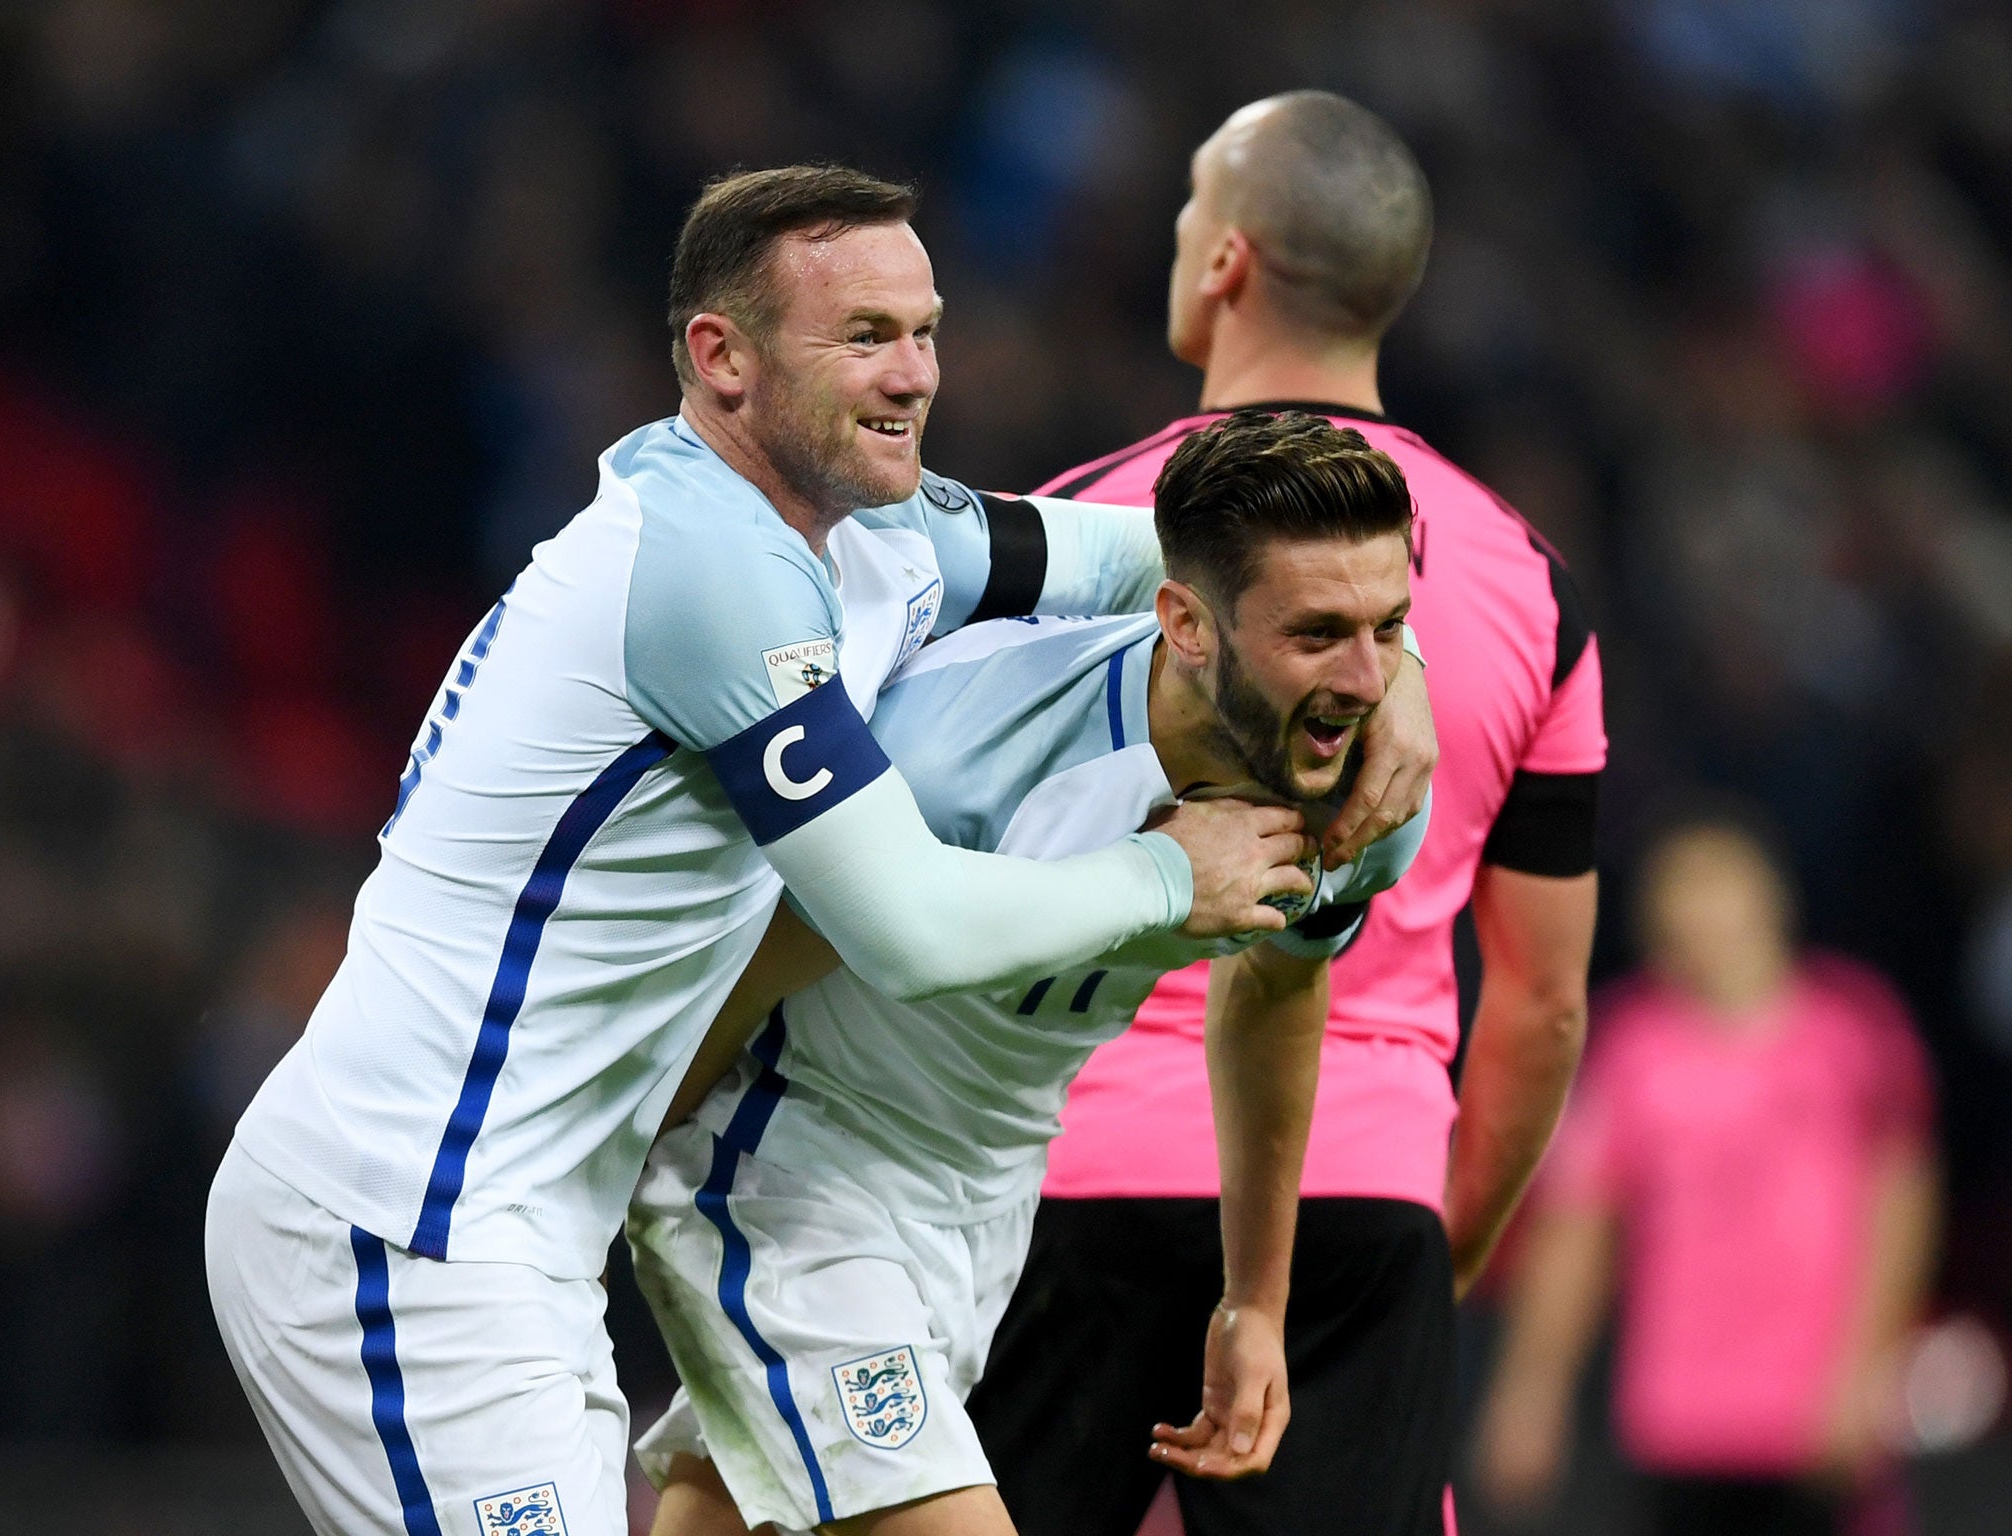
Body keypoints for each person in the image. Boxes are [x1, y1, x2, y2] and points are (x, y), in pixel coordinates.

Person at [204, 166, 1436, 1536]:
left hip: (533, 1224)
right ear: (719, 358)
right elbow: (904, 925)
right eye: (863, 336)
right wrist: (1171, 876)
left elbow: (1220, 561)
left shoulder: (886, 536)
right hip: (410, 1216)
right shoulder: (705, 569)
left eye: (925, 329)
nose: (914, 373)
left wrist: (1395, 673)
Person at [967, 92, 1606, 1536]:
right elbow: (1542, 1009)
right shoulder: (1531, 584)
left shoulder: (1079, 526)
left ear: (1226, 262)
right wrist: (1422, 1268)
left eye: (1194, 207)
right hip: (1355, 1194)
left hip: (1064, 1188)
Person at [627, 412, 1430, 1536]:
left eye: (1388, 628)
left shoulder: (1364, 796)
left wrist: (1254, 1301)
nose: (1364, 680)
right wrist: (586, 1200)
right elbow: (742, 969)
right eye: (1316, 635)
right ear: (1186, 627)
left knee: (728, 1511)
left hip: (986, 1209)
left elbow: (1277, 990)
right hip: (787, 1168)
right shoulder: (957, 755)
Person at [1471, 813, 1940, 1536]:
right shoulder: (1631, 1046)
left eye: (1721, 889)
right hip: (1680, 1416)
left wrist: (1863, 1373)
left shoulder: (1853, 1031)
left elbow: (1902, 1210)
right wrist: (1531, 1391)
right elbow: (1579, 1227)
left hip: (1819, 1417)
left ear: (1770, 902)